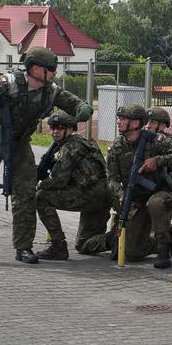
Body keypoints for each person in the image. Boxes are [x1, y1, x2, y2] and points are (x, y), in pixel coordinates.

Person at [0, 47, 93, 264]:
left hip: (19, 144)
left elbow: (74, 103)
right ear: (36, 69)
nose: (54, 73)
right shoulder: (9, 83)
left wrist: (83, 108)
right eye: (51, 69)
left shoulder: (50, 91)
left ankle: (23, 247)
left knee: (25, 195)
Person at [80, 104, 172, 267]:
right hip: (135, 198)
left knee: (156, 203)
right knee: (131, 253)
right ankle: (170, 238)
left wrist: (157, 161)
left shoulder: (155, 140)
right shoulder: (117, 147)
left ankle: (163, 250)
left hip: (159, 193)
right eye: (119, 118)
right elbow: (112, 179)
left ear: (136, 123)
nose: (119, 122)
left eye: (123, 119)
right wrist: (121, 194)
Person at [35, 111, 111, 260]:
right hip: (101, 196)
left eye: (60, 128)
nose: (55, 131)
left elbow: (59, 180)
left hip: (90, 196)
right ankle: (119, 240)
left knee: (41, 197)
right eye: (53, 127)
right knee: (84, 245)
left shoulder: (70, 147)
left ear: (71, 129)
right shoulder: (80, 142)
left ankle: (58, 246)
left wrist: (39, 184)